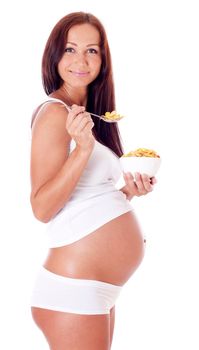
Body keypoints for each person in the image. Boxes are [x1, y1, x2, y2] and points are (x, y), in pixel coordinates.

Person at [30, 11, 157, 350]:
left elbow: (83, 196)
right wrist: (82, 150)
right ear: (55, 55)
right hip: (75, 288)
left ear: (103, 58)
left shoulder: (89, 116)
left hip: (96, 287)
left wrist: (124, 194)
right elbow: (42, 207)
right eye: (70, 49)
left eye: (92, 50)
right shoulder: (54, 113)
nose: (81, 60)